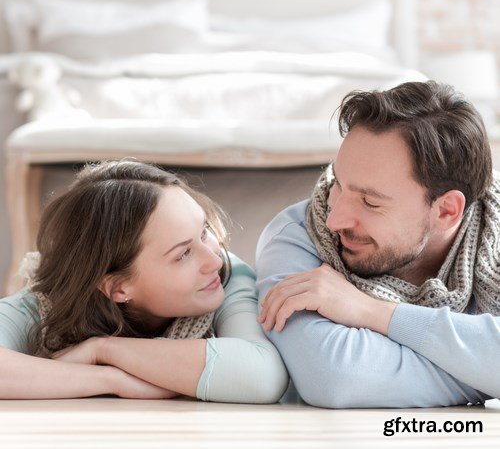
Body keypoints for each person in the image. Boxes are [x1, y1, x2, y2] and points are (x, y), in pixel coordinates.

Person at [256, 80, 500, 408]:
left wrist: (373, 312)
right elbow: (334, 377)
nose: (334, 220)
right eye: (338, 186)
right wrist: (482, 372)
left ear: (446, 211)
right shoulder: (296, 237)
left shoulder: (492, 232)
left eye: (370, 202)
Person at [0, 160, 288, 402]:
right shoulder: (51, 302)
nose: (213, 259)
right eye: (183, 254)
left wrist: (104, 350)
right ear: (117, 288)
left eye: (204, 232)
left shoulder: (226, 276)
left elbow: (262, 374)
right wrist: (110, 379)